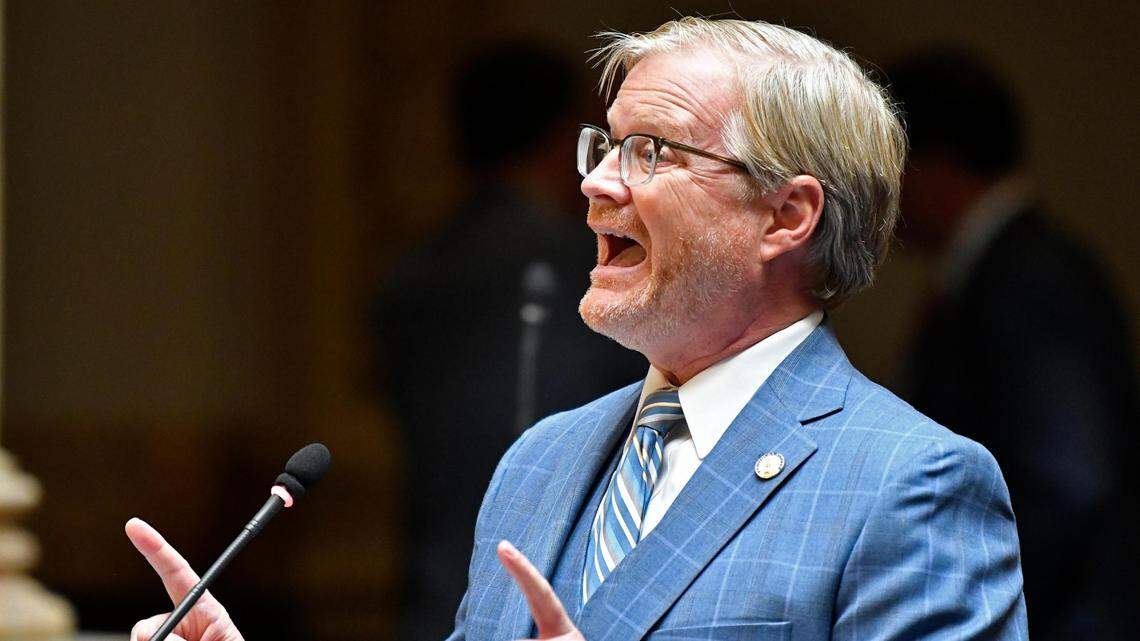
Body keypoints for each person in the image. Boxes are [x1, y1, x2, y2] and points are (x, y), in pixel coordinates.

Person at [125, 18, 1028, 641]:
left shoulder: (912, 483)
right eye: (605, 144)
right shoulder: (540, 460)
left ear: (786, 216)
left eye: (652, 152)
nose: (594, 183)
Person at [375, 42, 646, 641]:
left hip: (432, 585)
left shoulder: (412, 271)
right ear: (561, 136)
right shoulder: (591, 267)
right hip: (555, 594)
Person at [889, 50, 1138, 640]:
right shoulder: (1006, 268)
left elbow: (1070, 480)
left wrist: (971, 612)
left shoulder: (1028, 276)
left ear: (935, 164)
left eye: (888, 163)